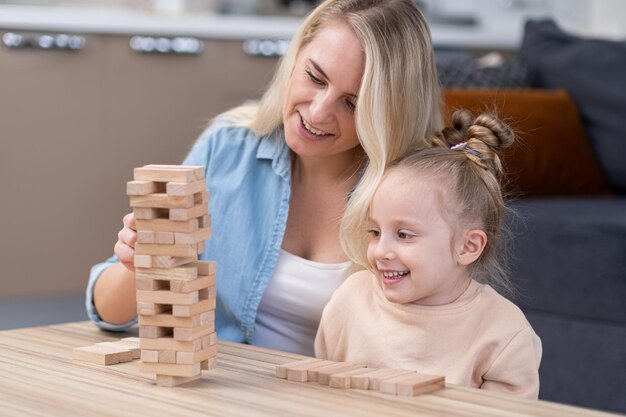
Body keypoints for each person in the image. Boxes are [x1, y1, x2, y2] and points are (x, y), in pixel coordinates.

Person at [86, 0, 442, 356]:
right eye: (315, 78)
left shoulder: (418, 192)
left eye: (352, 104)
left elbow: (439, 340)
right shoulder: (226, 148)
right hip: (225, 390)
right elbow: (107, 313)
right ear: (294, 58)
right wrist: (140, 264)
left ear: (389, 113)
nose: (317, 113)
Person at [315, 110, 543, 398]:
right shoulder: (349, 301)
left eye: (404, 235)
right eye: (375, 232)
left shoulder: (504, 333)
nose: (381, 251)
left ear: (468, 247)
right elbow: (322, 395)